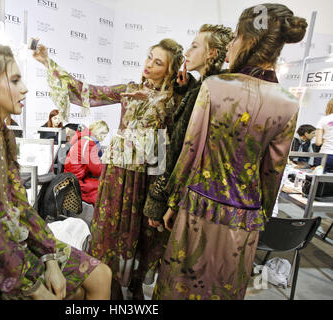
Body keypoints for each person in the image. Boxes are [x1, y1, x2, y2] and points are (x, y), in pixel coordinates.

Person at [0, 39, 111, 300]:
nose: (25, 89)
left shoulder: (3, 135)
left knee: (102, 275)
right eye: (15, 80)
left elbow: (19, 204)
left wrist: (50, 257)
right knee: (72, 294)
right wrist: (35, 288)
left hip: (13, 240)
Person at [153, 3, 307, 300]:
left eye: (236, 36)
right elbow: (272, 172)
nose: (232, 45)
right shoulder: (289, 103)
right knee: (224, 291)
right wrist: (260, 216)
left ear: (249, 40)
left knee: (179, 287)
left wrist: (172, 201)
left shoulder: (215, 86)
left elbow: (190, 152)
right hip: (245, 220)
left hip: (199, 207)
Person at [33, 38, 185, 299]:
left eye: (158, 62)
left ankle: (135, 289)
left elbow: (168, 146)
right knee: (110, 234)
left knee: (144, 238)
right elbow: (88, 92)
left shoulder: (174, 100)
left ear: (170, 71)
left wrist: (159, 195)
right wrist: (49, 62)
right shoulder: (129, 89)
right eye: (149, 56)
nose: (148, 64)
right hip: (117, 175)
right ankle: (109, 289)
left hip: (148, 176)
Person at [135, 24, 233, 300]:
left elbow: (182, 149)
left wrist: (164, 200)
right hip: (188, 193)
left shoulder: (210, 91)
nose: (188, 51)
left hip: (189, 196)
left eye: (194, 46)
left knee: (179, 274)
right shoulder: (203, 87)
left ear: (212, 52)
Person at [64, 120, 109, 205]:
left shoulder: (84, 138)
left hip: (72, 177)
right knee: (104, 187)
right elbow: (97, 170)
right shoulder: (89, 144)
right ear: (99, 132)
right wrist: (107, 164)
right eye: (104, 135)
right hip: (77, 182)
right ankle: (99, 216)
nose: (103, 138)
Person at [315, 98, 333, 172]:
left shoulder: (324, 119)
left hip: (326, 154)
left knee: (320, 181)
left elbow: (318, 142)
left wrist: (325, 139)